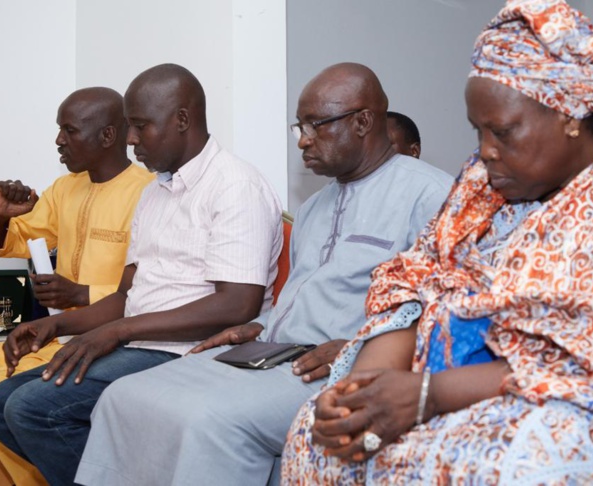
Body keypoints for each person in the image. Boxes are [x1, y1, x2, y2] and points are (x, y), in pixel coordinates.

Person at [282, 0, 593, 484]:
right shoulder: (482, 188)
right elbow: (418, 278)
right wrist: (368, 387)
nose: (485, 151)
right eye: (478, 131)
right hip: (439, 385)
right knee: (317, 436)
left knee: (503, 462)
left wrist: (430, 395)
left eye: (502, 131)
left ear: (569, 115)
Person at [74, 62, 453, 486]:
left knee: (205, 419)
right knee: (122, 397)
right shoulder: (314, 208)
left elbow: (452, 314)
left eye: (316, 125)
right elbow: (302, 295)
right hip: (271, 352)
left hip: (337, 368)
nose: (303, 140)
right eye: (299, 127)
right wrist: (256, 325)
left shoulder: (434, 197)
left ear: (363, 122)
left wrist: (357, 347)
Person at [0, 63, 283, 486]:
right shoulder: (155, 193)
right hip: (137, 341)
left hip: (189, 350)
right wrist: (54, 325)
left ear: (181, 119)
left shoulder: (235, 186)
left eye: (140, 125)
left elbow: (237, 305)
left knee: (32, 408)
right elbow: (127, 295)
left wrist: (116, 331)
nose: (132, 138)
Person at [0, 87, 153, 486]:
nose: (58, 140)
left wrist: (81, 294)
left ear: (107, 136)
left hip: (108, 341)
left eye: (69, 130)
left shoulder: (147, 194)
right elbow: (19, 239)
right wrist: (2, 218)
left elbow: (152, 290)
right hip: (54, 335)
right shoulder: (65, 188)